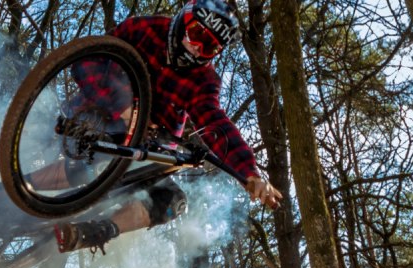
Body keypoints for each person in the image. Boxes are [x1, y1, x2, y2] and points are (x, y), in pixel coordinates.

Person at [53, 0, 282, 254]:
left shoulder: (204, 80)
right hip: (96, 117)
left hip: (148, 148)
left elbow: (215, 123)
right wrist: (121, 105)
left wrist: (250, 173)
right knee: (104, 152)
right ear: (183, 20)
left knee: (173, 201)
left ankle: (99, 230)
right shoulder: (143, 29)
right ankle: (20, 187)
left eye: (208, 47)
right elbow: (86, 59)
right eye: (196, 34)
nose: (196, 48)